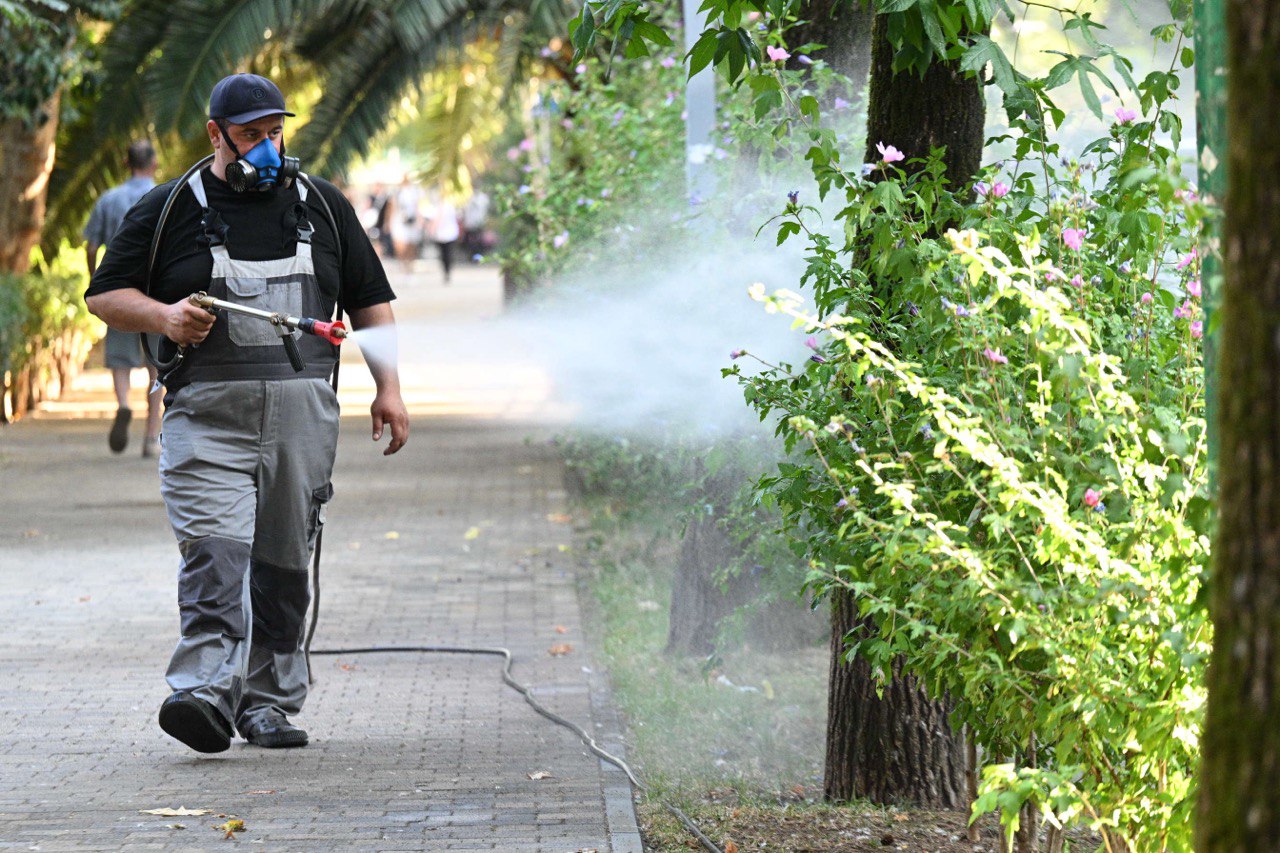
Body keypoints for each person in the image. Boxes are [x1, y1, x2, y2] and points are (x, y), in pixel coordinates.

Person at [84, 73, 409, 754]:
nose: (266, 146)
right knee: (215, 557)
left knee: (284, 566)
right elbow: (105, 294)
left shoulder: (322, 206)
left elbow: (369, 300)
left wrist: (390, 388)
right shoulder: (169, 208)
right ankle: (204, 691)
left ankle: (268, 704)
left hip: (302, 422)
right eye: (250, 133)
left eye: (274, 132)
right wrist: (165, 316)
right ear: (216, 134)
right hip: (207, 421)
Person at [84, 140, 162, 457]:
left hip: (118, 288)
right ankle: (152, 438)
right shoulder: (167, 196)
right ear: (154, 163)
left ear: (126, 163)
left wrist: (97, 281)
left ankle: (124, 404)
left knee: (120, 360)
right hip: (158, 292)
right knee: (158, 365)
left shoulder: (109, 199)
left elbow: (91, 246)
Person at [428, 190, 460, 283]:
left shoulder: (444, 206)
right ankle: (447, 271)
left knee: (445, 254)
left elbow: (436, 220)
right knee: (446, 254)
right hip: (444, 234)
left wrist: (431, 230)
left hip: (447, 234)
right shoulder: (445, 206)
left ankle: (447, 271)